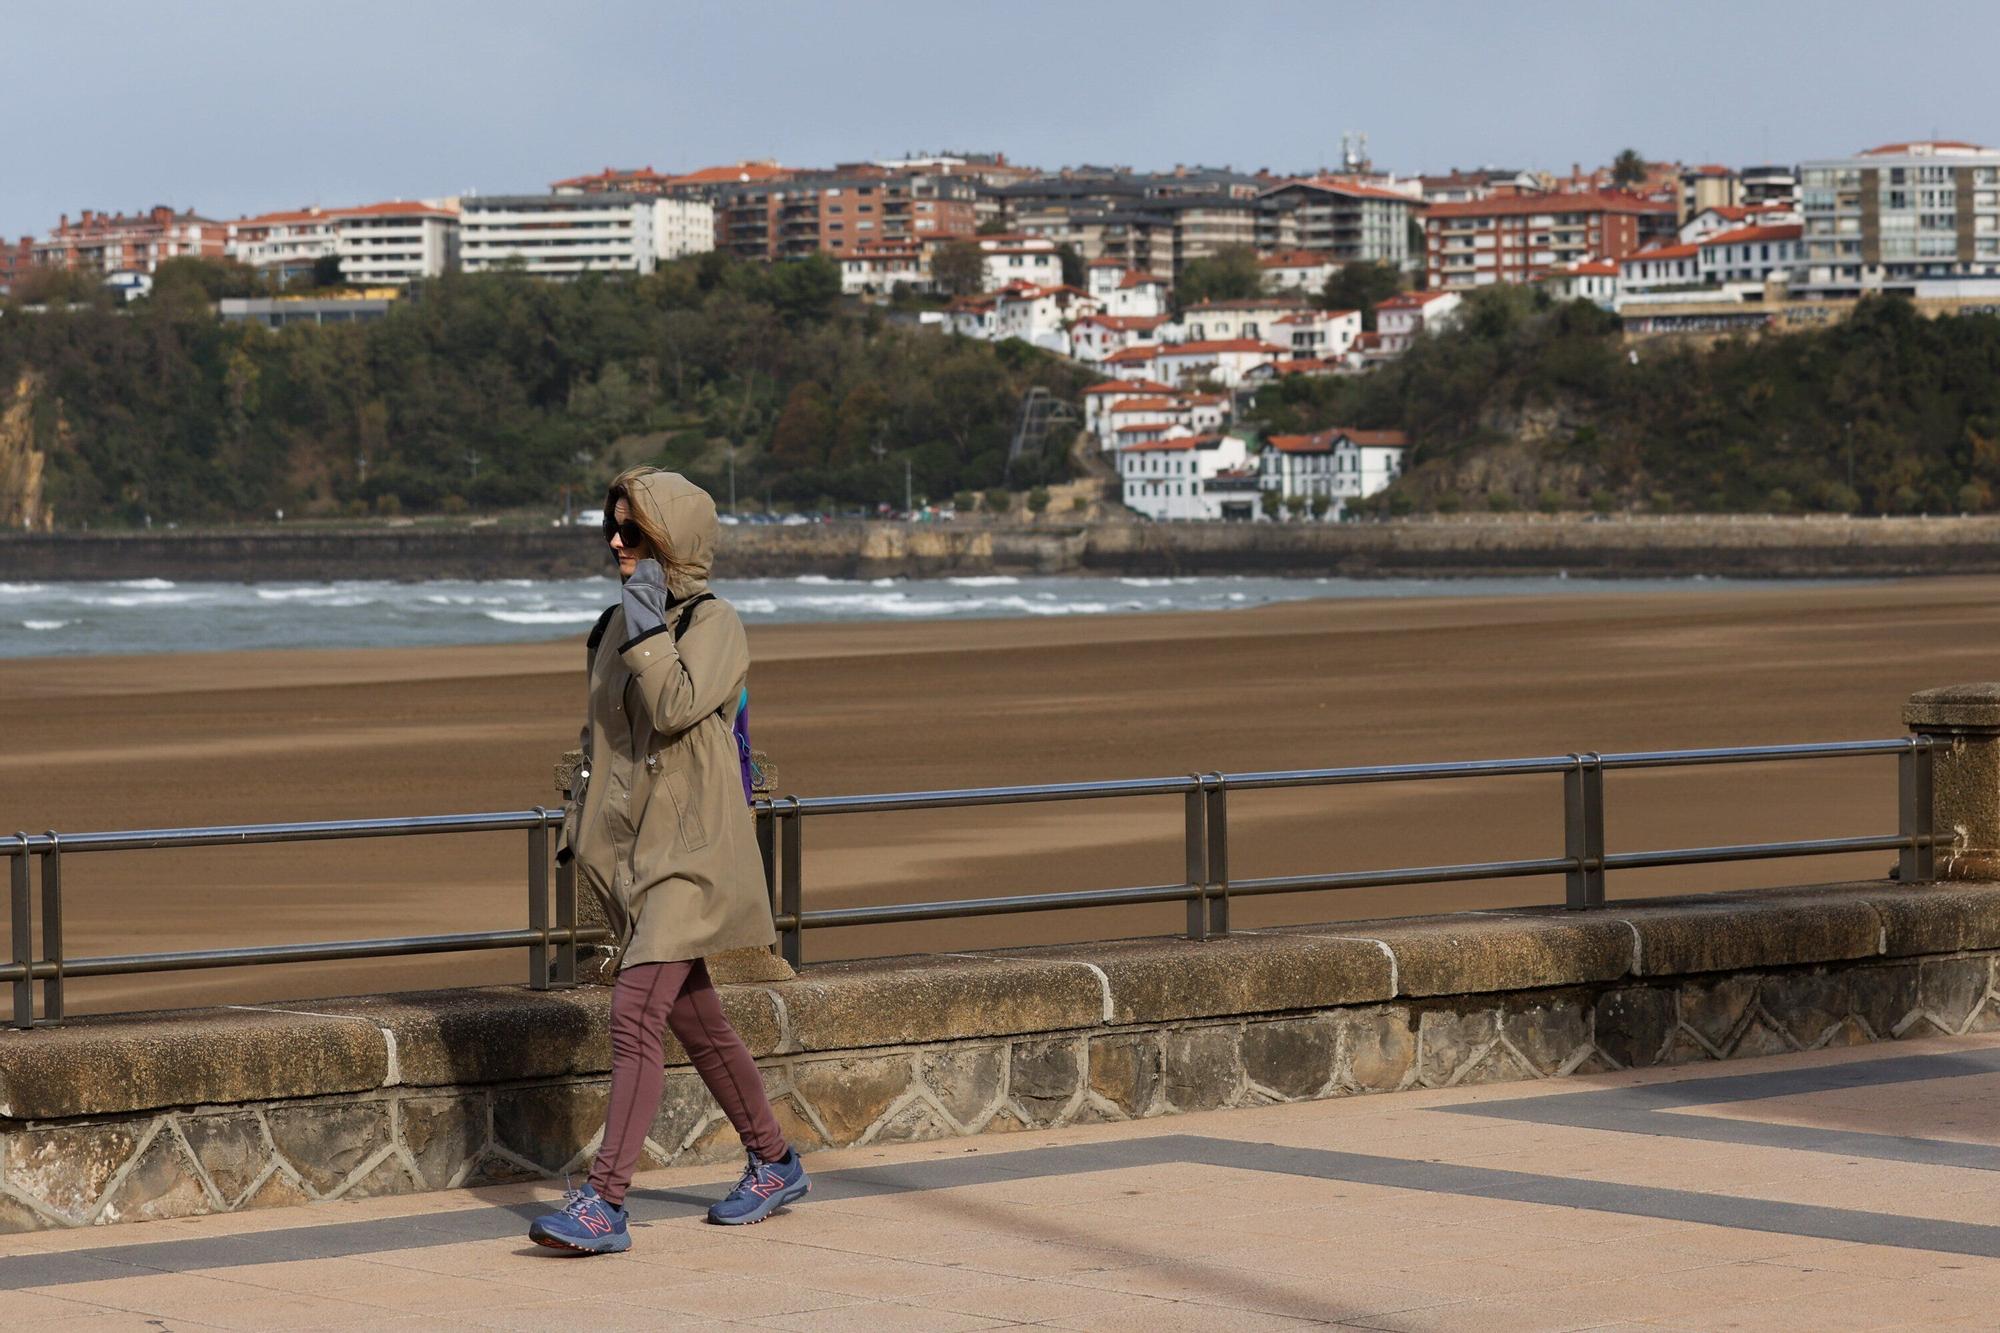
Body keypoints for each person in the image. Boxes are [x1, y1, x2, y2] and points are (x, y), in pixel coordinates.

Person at [530, 467, 807, 1254]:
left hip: (690, 855)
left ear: (672, 540)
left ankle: (605, 1201)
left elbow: (678, 706)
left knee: (634, 1012)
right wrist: (580, 830)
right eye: (611, 530)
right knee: (697, 1018)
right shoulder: (615, 625)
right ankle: (775, 1159)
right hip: (634, 856)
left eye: (635, 531)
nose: (617, 543)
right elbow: (604, 744)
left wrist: (650, 629)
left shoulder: (715, 624)